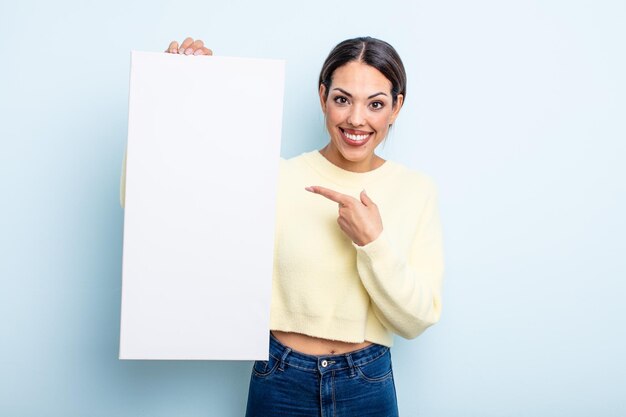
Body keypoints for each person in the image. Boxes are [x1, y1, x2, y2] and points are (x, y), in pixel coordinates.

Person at [122, 36, 444, 416]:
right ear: (322, 96)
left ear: (396, 107)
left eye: (375, 104)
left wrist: (373, 242)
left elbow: (417, 318)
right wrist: (172, 90)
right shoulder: (274, 177)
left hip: (366, 382)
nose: (357, 118)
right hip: (280, 378)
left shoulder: (416, 190)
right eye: (342, 99)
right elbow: (150, 201)